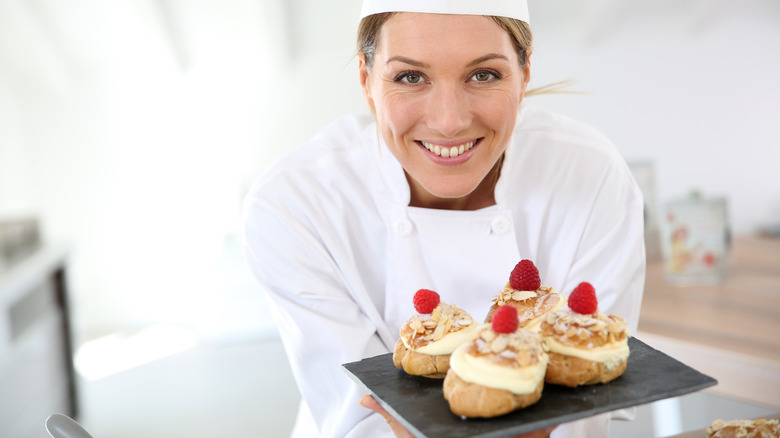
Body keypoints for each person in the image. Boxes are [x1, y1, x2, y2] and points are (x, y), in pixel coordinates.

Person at [242, 1, 646, 437]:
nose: (449, 122)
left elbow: (594, 385)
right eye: (410, 77)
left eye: (483, 75)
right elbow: (361, 419)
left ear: (525, 72)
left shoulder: (589, 174)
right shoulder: (295, 203)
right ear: (366, 79)